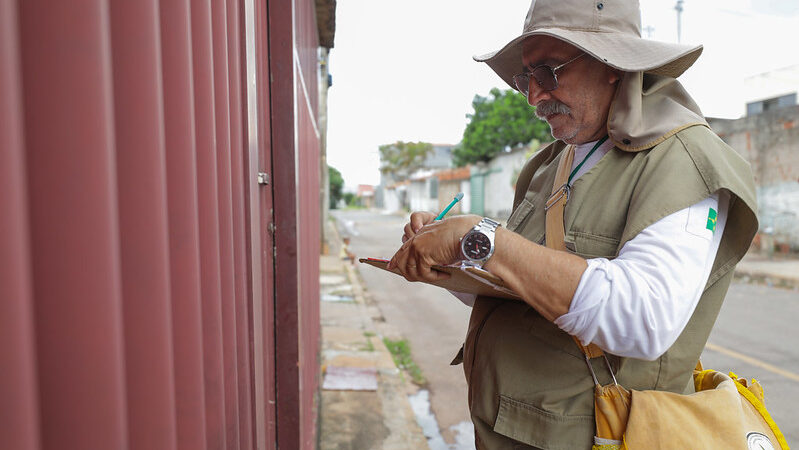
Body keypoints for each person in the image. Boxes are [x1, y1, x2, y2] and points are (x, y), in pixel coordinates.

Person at [387, 0, 758, 448]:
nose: (533, 96)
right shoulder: (552, 164)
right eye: (526, 78)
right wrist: (449, 257)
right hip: (514, 429)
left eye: (548, 72)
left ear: (611, 65)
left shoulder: (682, 160)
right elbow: (520, 286)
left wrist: (480, 238)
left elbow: (645, 320)